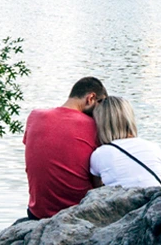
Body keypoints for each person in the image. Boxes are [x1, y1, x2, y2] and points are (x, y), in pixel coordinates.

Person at [23, 76, 107, 220]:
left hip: (37, 213)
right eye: (101, 104)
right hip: (78, 214)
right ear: (91, 98)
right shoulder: (93, 126)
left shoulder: (34, 116)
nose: (101, 112)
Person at [89, 96, 161, 188]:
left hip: (122, 201)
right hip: (154, 200)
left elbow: (96, 191)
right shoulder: (154, 147)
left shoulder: (99, 154)